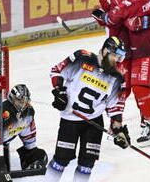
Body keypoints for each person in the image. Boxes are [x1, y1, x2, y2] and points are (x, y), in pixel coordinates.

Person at [92, 0, 150, 142]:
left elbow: (114, 16)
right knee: (129, 89)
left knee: (140, 87)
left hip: (138, 50)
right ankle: (122, 124)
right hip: (124, 51)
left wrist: (101, 17)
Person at [48, 36, 131, 182]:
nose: (117, 61)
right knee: (61, 160)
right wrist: (59, 91)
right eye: (115, 56)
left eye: (120, 57)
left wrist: (118, 129)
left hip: (94, 123)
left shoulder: (117, 78)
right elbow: (57, 71)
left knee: (87, 164)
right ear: (105, 51)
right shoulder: (82, 58)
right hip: (70, 119)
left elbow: (115, 106)